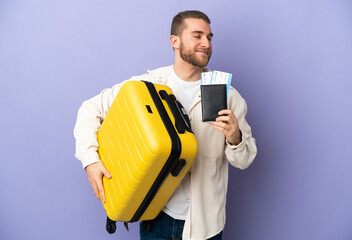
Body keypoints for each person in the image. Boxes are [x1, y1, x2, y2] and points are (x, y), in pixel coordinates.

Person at [74, 10, 257, 240]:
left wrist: (235, 137)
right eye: (197, 36)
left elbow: (244, 161)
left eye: (209, 38)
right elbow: (90, 109)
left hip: (205, 226)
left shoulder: (227, 96)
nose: (206, 43)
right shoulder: (148, 85)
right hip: (156, 217)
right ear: (175, 41)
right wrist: (90, 160)